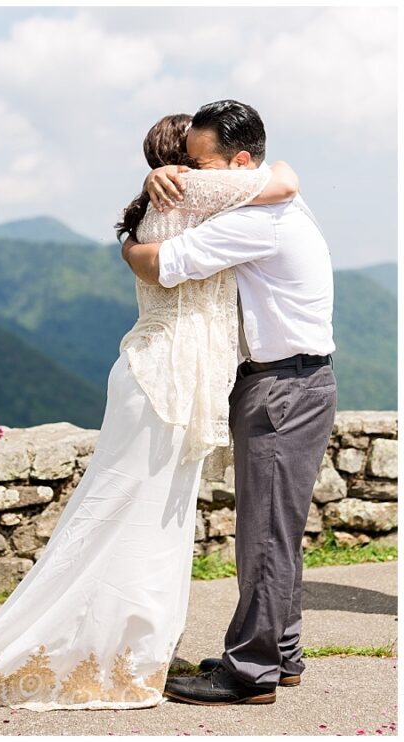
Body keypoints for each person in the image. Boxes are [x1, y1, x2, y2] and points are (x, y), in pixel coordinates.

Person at [0, 107, 301, 709]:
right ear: (184, 165)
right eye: (193, 161)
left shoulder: (165, 202)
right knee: (144, 518)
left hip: (156, 374)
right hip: (167, 379)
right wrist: (177, 181)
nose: (198, 169)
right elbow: (285, 178)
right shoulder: (189, 194)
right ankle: (122, 652)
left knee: (140, 517)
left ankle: (124, 647)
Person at [122, 99, 337, 707]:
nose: (185, 178)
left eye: (197, 165)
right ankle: (282, 653)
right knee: (277, 531)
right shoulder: (270, 199)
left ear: (240, 164)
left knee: (264, 535)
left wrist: (126, 250)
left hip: (282, 388)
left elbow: (159, 266)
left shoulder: (254, 218)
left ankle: (249, 672)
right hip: (294, 382)